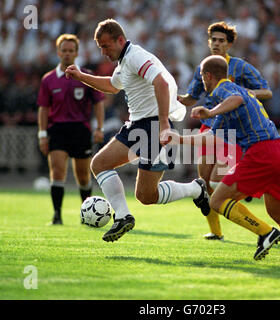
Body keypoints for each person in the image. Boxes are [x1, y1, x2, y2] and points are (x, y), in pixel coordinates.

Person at [167, 55, 280, 266]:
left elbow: (237, 100)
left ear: (207, 76)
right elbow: (213, 136)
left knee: (216, 200)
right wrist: (179, 139)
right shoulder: (230, 97)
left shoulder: (224, 90)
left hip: (262, 153)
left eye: (201, 77)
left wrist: (210, 111)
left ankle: (265, 233)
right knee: (279, 213)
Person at [65, 19, 210, 242]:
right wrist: (82, 77)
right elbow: (112, 86)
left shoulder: (136, 56)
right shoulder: (125, 62)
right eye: (100, 48)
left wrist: (163, 124)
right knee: (124, 180)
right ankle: (126, 216)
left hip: (152, 126)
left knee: (135, 188)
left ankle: (193, 190)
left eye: (106, 46)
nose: (104, 52)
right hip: (139, 125)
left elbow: (161, 82)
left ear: (120, 40)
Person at [178, 21, 272, 241]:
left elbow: (267, 92)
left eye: (221, 40)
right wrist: (173, 96)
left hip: (232, 131)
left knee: (218, 183)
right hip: (210, 127)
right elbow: (191, 98)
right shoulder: (204, 66)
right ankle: (216, 231)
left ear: (229, 44)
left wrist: (245, 94)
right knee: (205, 182)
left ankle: (259, 224)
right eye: (214, 40)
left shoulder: (241, 66)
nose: (217, 44)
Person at [37, 33, 105, 225]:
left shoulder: (86, 76)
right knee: (57, 171)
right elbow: (43, 108)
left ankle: (87, 216)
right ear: (58, 52)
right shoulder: (48, 80)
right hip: (57, 129)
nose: (67, 54)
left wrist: (98, 127)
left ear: (76, 53)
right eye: (64, 50)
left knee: (83, 176)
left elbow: (98, 103)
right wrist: (42, 134)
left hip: (80, 130)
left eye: (71, 50)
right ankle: (57, 215)